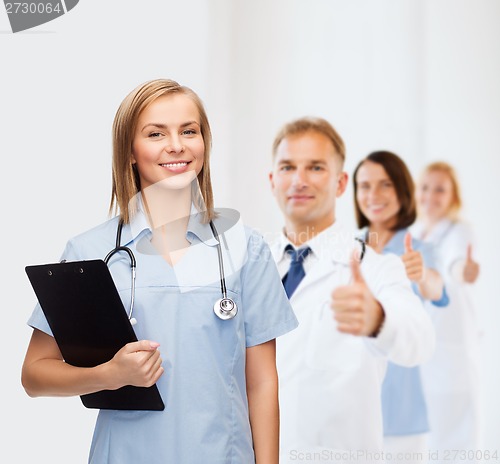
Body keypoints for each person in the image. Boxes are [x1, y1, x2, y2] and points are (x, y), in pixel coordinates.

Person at [21, 79, 298, 464]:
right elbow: (35, 375)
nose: (177, 145)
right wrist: (108, 375)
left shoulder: (245, 248)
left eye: (189, 131)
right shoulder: (89, 252)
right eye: (156, 133)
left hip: (223, 454)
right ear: (130, 152)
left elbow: (263, 382)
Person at [267, 117, 435, 463]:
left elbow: (419, 340)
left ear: (341, 183)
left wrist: (378, 319)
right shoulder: (248, 268)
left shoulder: (375, 267)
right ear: (272, 180)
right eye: (287, 167)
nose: (299, 180)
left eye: (315, 167)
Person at [353, 151, 449, 462]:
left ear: (403, 191)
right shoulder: (347, 249)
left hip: (402, 415)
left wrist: (422, 275)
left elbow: (437, 289)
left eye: (385, 185)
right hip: (354, 407)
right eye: (364, 186)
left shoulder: (418, 250)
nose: (374, 195)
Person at [411, 161, 482, 461]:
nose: (430, 195)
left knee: (457, 442)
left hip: (451, 354)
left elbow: (455, 262)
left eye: (440, 189)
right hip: (426, 351)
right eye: (425, 187)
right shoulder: (415, 234)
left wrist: (463, 270)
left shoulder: (458, 230)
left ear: (453, 196)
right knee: (432, 441)